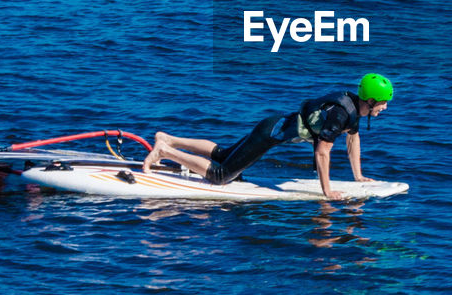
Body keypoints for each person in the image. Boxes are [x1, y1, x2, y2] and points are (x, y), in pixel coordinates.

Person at [140, 73, 394, 201]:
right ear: (370, 101)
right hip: (269, 135)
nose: (384, 108)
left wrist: (358, 176)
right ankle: (164, 151)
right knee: (222, 175)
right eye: (383, 103)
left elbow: (353, 139)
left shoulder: (352, 108)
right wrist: (326, 191)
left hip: (270, 127)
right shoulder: (341, 113)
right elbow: (322, 151)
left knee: (223, 155)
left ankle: (168, 139)